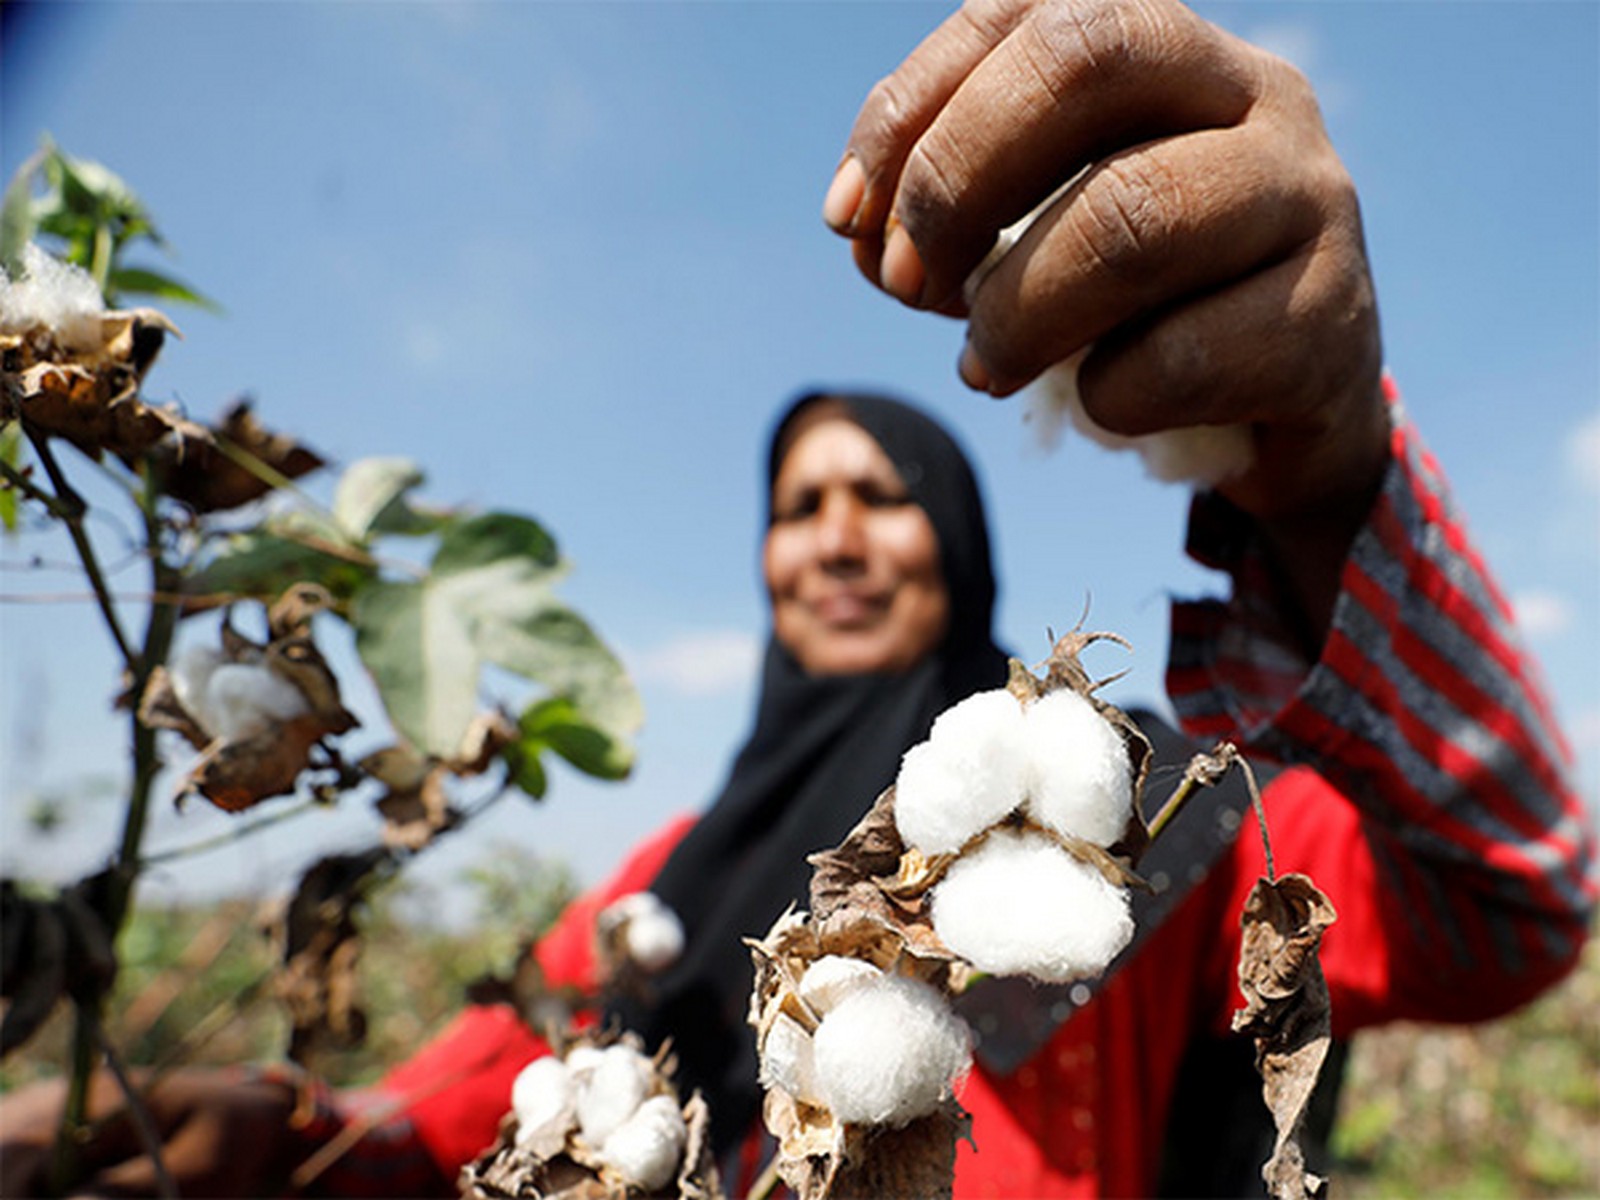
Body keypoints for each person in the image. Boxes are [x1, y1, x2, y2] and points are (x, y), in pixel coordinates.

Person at [3, 0, 1593, 1194]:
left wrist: (1326, 475)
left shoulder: (1151, 819)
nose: (833, 539)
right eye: (797, 509)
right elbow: (458, 1110)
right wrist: (286, 1138)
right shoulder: (670, 879)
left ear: (957, 548)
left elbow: (1509, 903)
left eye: (881, 499)